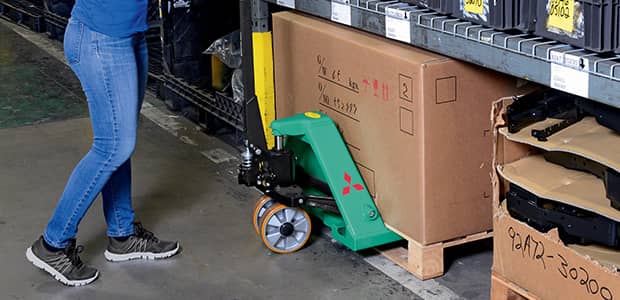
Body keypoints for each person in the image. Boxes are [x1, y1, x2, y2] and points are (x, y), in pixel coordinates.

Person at [25, 0, 180, 286]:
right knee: (113, 146)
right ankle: (52, 245)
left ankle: (122, 235)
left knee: (121, 142)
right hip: (100, 39)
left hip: (131, 34)